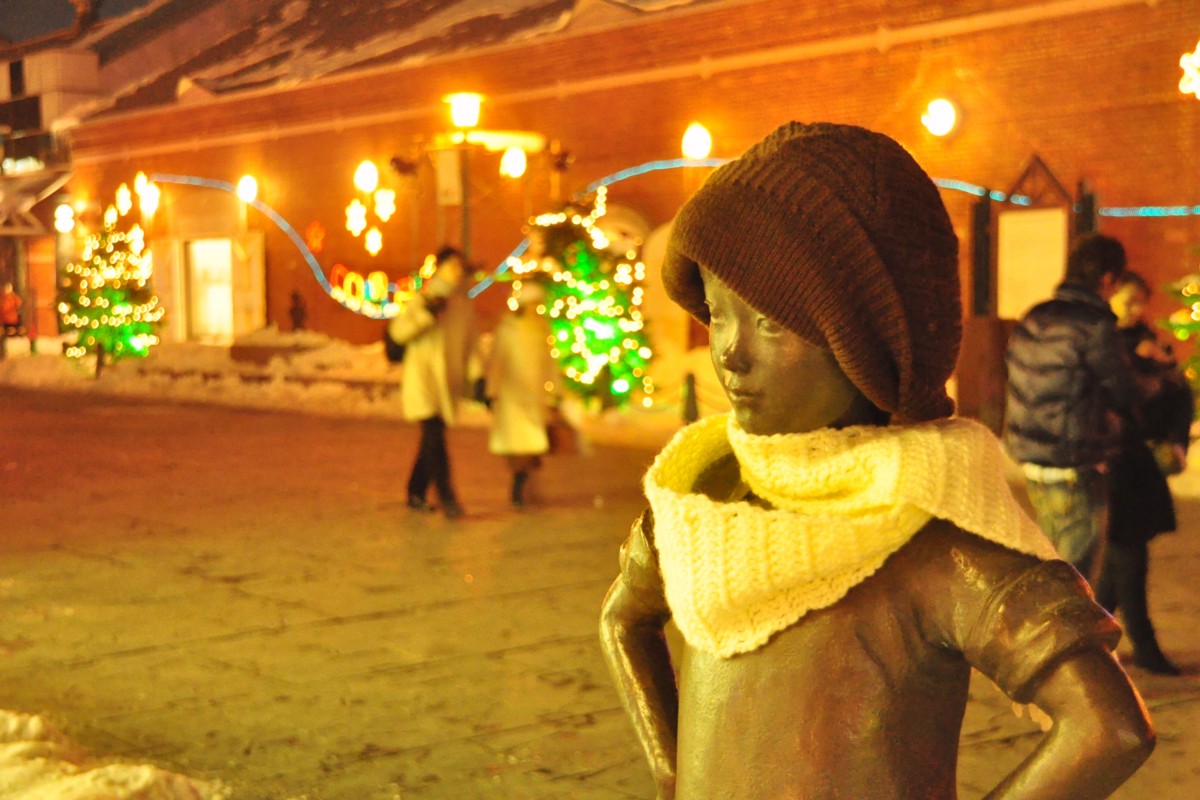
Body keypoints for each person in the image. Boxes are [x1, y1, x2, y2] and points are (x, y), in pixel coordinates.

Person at [599, 122, 1154, 799]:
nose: (729, 353)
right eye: (718, 314)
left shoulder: (931, 531)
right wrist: (672, 766)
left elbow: (1108, 728)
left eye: (772, 322)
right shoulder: (703, 498)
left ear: (868, 337)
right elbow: (624, 618)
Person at [1004, 232, 1137, 578]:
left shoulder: (1034, 316)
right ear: (1107, 279)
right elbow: (1124, 393)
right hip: (1073, 463)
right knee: (1073, 579)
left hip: (1032, 459)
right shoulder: (1094, 325)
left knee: (1051, 559)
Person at [1094, 271, 1191, 675]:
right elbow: (1110, 393)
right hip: (1116, 459)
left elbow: (1181, 394)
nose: (1134, 310)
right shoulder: (1102, 342)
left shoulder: (1151, 343)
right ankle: (1143, 646)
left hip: (1142, 461)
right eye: (1127, 301)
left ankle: (1093, 640)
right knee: (1128, 553)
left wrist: (1178, 439)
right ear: (1112, 297)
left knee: (1125, 554)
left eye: (1139, 302)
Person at [399, 246, 480, 519]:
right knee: (435, 439)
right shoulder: (424, 299)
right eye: (452, 266)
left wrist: (476, 377)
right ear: (440, 267)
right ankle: (447, 497)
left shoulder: (462, 306)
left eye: (460, 266)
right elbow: (399, 333)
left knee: (430, 441)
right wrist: (427, 315)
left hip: (448, 383)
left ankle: (415, 491)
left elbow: (471, 345)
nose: (457, 272)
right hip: (423, 380)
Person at [484, 280, 559, 509]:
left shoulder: (542, 331)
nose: (538, 309)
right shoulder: (508, 330)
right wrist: (492, 390)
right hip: (513, 396)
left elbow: (550, 364)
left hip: (534, 396)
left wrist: (555, 392)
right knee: (520, 446)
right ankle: (520, 488)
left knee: (532, 445)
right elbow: (497, 361)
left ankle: (525, 486)